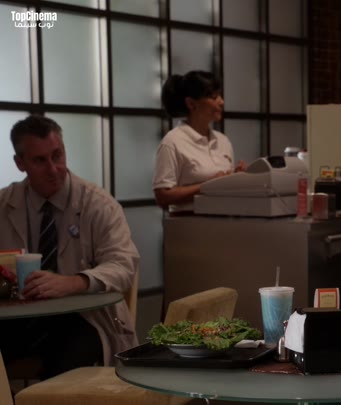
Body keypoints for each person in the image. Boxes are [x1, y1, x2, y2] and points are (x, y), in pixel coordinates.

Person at [0, 115, 139, 377]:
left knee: (68, 357)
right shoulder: (4, 203)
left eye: (58, 155)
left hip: (84, 318)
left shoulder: (98, 204)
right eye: (40, 160)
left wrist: (74, 282)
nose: (53, 169)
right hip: (18, 318)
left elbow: (124, 265)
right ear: (20, 163)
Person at [153, 70, 246, 212]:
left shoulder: (223, 140)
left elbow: (224, 188)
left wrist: (238, 177)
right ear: (191, 103)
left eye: (220, 95)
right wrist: (209, 186)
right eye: (214, 97)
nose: (221, 102)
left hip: (226, 219)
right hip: (189, 221)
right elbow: (162, 197)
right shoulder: (172, 142)